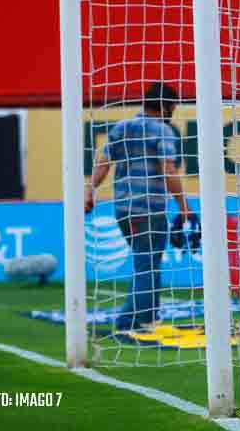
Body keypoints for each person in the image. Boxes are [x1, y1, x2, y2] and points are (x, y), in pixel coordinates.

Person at [84, 82, 191, 332]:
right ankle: (129, 322)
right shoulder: (162, 131)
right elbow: (168, 169)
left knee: (148, 262)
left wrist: (90, 189)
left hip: (122, 209)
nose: (173, 110)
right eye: (173, 106)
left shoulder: (122, 127)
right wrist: (184, 206)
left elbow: (103, 162)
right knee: (146, 264)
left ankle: (149, 317)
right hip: (149, 209)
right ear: (166, 105)